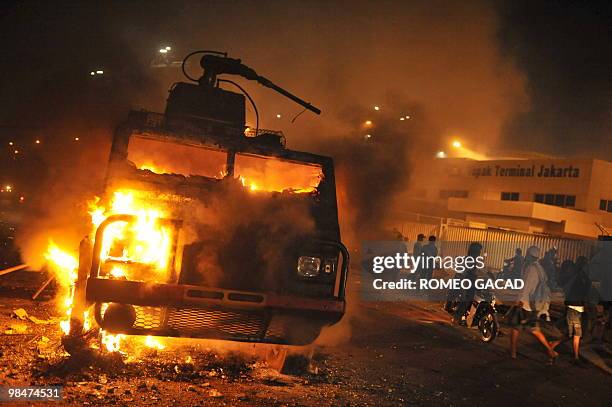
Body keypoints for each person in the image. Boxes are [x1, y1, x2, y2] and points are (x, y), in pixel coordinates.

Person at [508, 245, 560, 363]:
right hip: (534, 305)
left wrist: (519, 301)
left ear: (529, 255)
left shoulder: (530, 268)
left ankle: (513, 353)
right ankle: (550, 351)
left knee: (515, 328)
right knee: (535, 330)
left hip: (524, 304)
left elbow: (526, 287)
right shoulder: (540, 268)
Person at [562, 256, 591, 363]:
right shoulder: (579, 277)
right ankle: (576, 356)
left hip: (577, 308)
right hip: (574, 308)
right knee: (575, 334)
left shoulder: (582, 277)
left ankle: (575, 355)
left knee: (573, 334)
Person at [451, 242, 483, 325]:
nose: (480, 252)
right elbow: (469, 271)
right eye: (479, 250)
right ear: (475, 251)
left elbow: (477, 271)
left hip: (470, 281)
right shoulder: (470, 259)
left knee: (470, 299)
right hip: (467, 282)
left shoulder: (474, 259)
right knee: (466, 300)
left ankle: (464, 317)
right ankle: (456, 318)